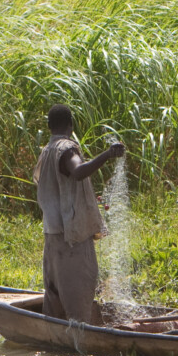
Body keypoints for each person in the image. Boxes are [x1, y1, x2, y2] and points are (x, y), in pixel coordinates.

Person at [33, 104, 125, 324]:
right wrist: (108, 154)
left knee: (54, 300)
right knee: (78, 301)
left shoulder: (46, 151)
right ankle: (80, 347)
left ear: (49, 127)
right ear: (71, 125)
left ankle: (52, 344)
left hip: (52, 236)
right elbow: (78, 172)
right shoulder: (66, 148)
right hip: (71, 240)